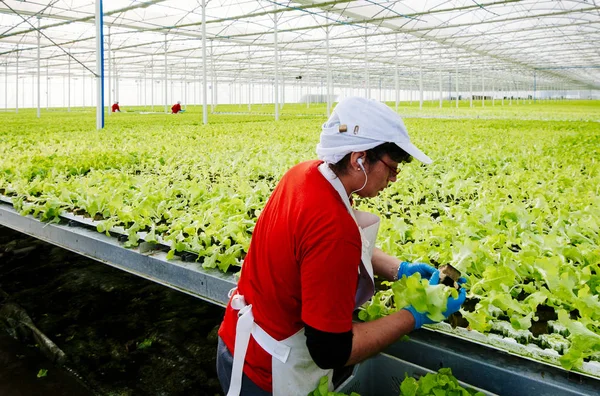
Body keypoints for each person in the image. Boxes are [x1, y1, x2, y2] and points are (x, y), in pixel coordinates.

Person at [216, 97, 467, 396]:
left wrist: (400, 270)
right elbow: (331, 351)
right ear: (358, 158)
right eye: (391, 166)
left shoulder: (305, 174)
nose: (394, 177)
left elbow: (316, 251)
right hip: (267, 375)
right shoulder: (334, 228)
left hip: (236, 342)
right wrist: (414, 315)